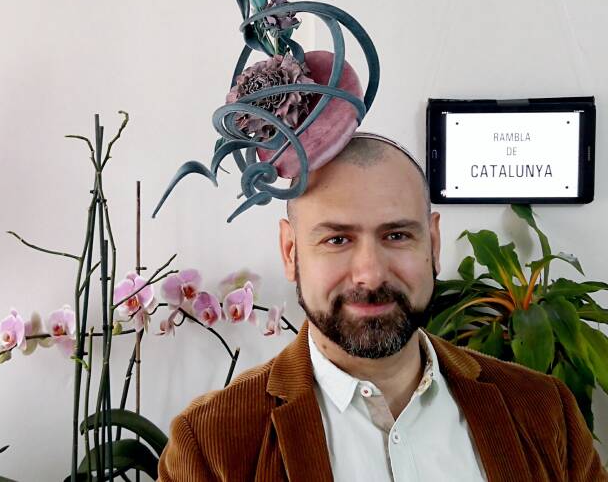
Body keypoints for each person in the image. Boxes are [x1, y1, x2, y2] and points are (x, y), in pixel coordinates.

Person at [157, 133, 606, 481]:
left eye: (396, 235)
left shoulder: (544, 409)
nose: (370, 275)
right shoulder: (211, 444)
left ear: (433, 243)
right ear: (291, 251)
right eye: (337, 239)